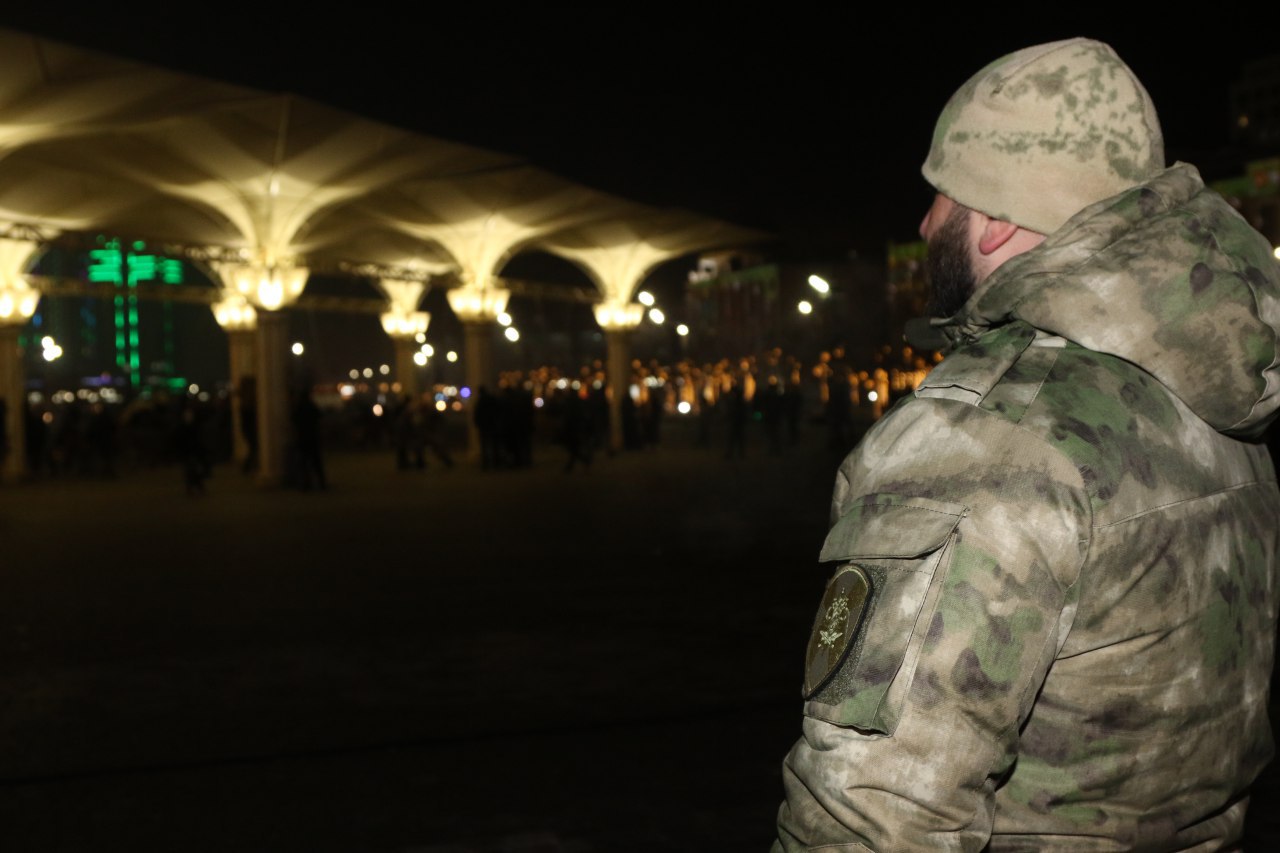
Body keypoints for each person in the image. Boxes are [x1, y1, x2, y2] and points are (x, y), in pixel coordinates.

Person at [775, 38, 1280, 851]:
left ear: (999, 216)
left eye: (941, 192)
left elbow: (875, 814)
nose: (925, 221)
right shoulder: (1213, 402)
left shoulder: (990, 439)